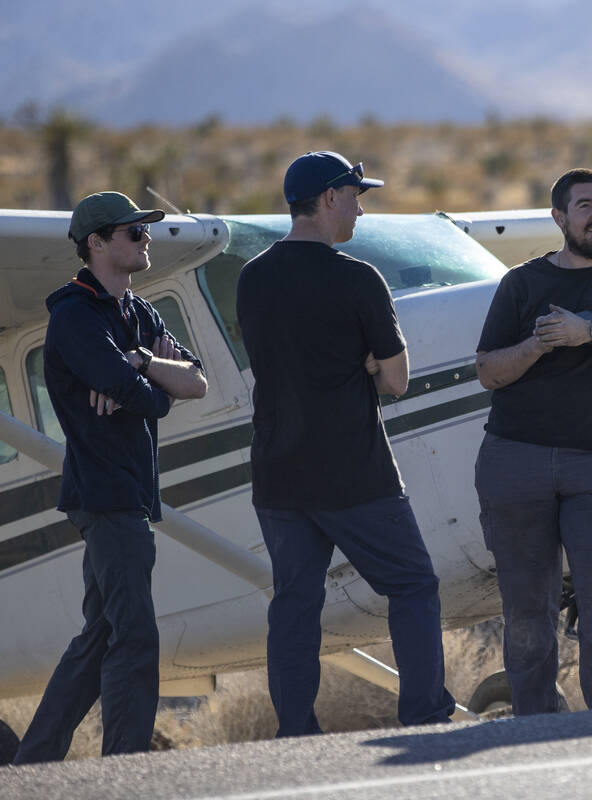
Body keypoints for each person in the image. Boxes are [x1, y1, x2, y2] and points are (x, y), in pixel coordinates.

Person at [236, 151, 454, 734]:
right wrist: (366, 365)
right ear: (329, 198)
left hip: (278, 474)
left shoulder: (252, 277)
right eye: (356, 194)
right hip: (354, 471)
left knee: (295, 605)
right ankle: (425, 715)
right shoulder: (358, 278)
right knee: (412, 585)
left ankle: (295, 732)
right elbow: (397, 380)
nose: (361, 207)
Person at [14, 192, 208, 763]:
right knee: (135, 634)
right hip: (105, 496)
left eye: (144, 231)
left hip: (130, 493)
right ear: (97, 243)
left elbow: (193, 383)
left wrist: (143, 364)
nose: (145, 239)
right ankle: (125, 765)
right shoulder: (74, 316)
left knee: (99, 636)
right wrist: (148, 382)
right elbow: (152, 403)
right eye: (132, 232)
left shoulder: (138, 313)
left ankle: (31, 763)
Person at [474, 168, 592, 715]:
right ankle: (535, 721)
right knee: (527, 606)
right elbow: (488, 370)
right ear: (559, 218)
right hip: (515, 461)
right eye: (584, 205)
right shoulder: (522, 283)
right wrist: (537, 346)